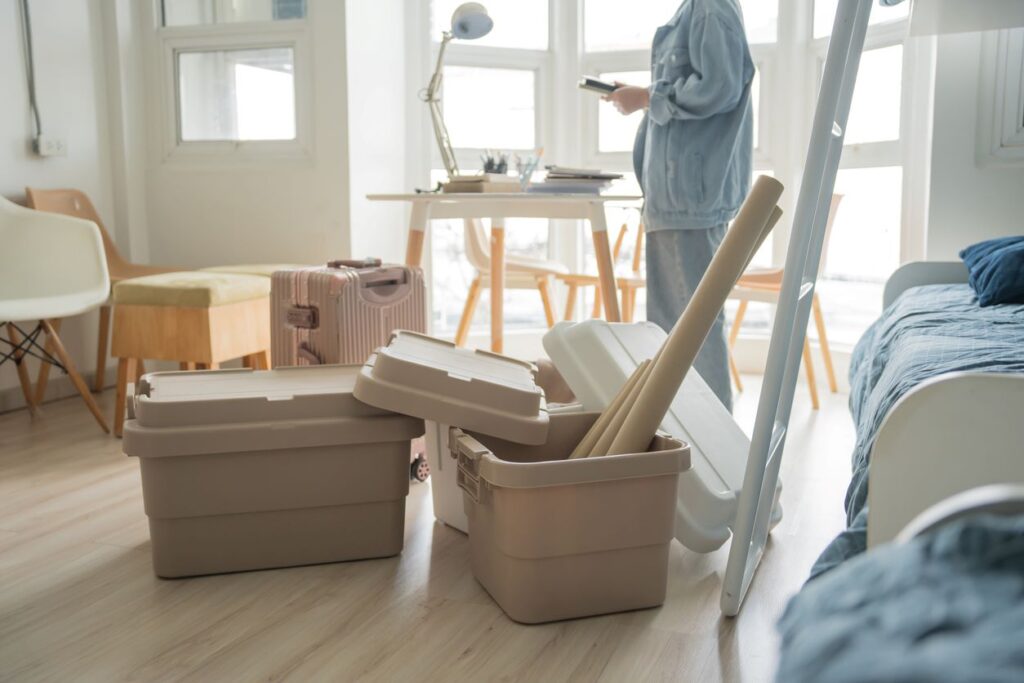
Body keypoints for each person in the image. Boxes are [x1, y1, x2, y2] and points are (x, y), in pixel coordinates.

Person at [605, 0, 754, 412]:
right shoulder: (697, 10)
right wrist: (644, 97)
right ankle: (686, 429)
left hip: (689, 197)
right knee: (674, 329)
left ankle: (711, 436)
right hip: (676, 197)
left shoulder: (710, 9)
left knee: (691, 329)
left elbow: (720, 88)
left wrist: (647, 97)